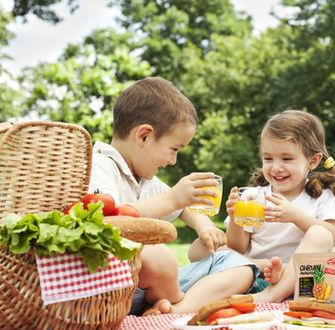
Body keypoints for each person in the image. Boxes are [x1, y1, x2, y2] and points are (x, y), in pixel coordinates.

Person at [89, 77, 258, 316]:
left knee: (240, 267)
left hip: (150, 289)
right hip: (113, 287)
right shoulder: (99, 165)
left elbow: (183, 209)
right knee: (158, 256)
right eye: (174, 149)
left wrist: (205, 226)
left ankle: (173, 308)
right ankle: (176, 303)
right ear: (144, 136)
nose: (173, 161)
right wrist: (172, 199)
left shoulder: (146, 179)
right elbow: (106, 217)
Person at [189, 110, 335, 303]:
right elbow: (237, 247)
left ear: (313, 161)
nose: (276, 167)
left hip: (301, 279)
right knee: (199, 248)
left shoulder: (320, 196)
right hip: (256, 277)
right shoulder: (252, 196)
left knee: (320, 233)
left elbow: (331, 237)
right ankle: (260, 269)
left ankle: (274, 294)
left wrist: (294, 215)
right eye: (268, 159)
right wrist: (235, 219)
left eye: (287, 159)